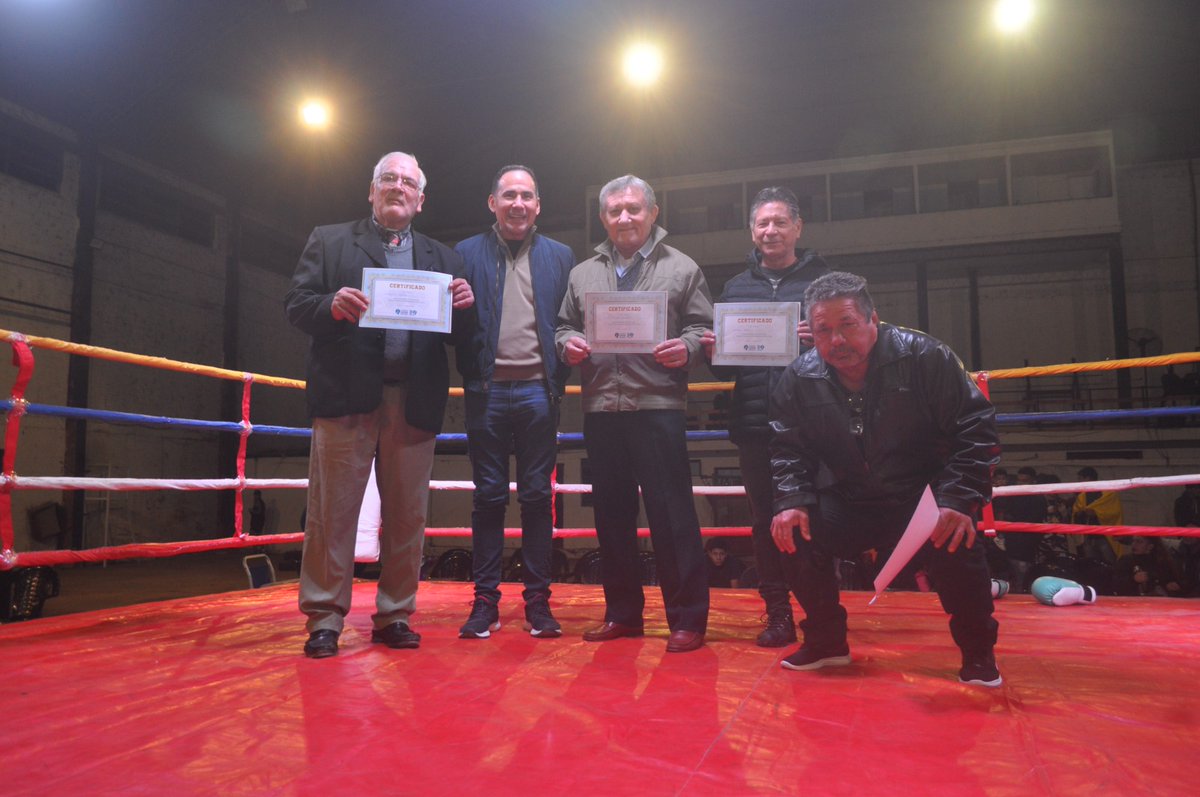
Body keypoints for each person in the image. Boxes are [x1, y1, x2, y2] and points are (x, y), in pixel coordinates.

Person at [769, 271, 1003, 686]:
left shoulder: (926, 357)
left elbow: (976, 428)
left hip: (923, 498)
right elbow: (788, 449)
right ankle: (826, 643)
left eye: (848, 326)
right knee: (794, 530)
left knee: (957, 535)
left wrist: (956, 498)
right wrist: (790, 501)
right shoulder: (800, 377)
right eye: (824, 330)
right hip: (850, 498)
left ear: (872, 319)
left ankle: (978, 653)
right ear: (811, 333)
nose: (836, 341)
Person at [285, 151, 476, 659]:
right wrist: (331, 305)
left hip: (414, 399)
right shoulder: (329, 240)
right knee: (331, 513)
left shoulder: (445, 259)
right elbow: (297, 306)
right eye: (387, 179)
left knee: (408, 515)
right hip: (346, 396)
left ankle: (395, 613)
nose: (397, 187)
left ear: (420, 199)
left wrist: (465, 307)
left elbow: (462, 339)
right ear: (371, 191)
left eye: (407, 182)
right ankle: (324, 618)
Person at [556, 174, 713, 654]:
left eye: (633, 208)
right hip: (602, 407)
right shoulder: (583, 273)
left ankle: (687, 619)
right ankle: (623, 614)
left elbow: (704, 327)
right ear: (603, 218)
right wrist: (569, 345)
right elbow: (563, 325)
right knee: (611, 516)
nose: (624, 217)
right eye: (614, 210)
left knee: (673, 516)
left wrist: (686, 348)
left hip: (659, 405)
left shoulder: (682, 268)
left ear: (653, 212)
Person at [700, 186, 830, 647]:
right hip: (755, 423)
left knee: (815, 518)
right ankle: (777, 613)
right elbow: (726, 366)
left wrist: (823, 341)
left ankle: (821, 613)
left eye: (779, 222)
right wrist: (713, 352)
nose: (770, 230)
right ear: (752, 232)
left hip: (814, 421)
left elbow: (857, 348)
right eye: (762, 224)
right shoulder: (737, 288)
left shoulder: (826, 284)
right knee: (763, 523)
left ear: (797, 227)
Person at [454, 165, 575, 639]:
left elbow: (572, 321)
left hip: (538, 391)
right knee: (487, 497)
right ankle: (484, 602)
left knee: (537, 497)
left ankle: (538, 604)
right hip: (484, 390)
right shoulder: (463, 254)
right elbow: (450, 326)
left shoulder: (562, 257)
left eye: (526, 195)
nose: (518, 203)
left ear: (538, 205)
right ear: (492, 202)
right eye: (509, 195)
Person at [991, 466, 1045, 593]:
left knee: (1022, 574)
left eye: (1024, 481)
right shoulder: (1012, 495)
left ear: (1033, 481)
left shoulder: (1038, 499)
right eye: (1019, 480)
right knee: (1007, 573)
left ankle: (1022, 597)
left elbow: (1032, 521)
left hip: (1026, 543)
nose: (1021, 483)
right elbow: (1001, 510)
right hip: (1010, 541)